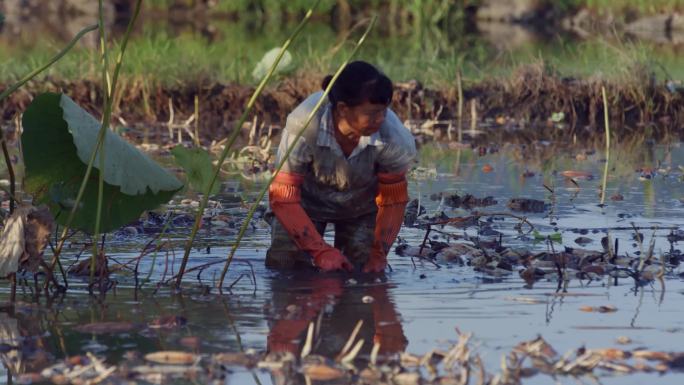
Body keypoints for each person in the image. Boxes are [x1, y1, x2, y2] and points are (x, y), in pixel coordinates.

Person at [266, 61, 416, 273]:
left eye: (384, 111)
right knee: (286, 267)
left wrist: (378, 253)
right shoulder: (304, 125)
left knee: (363, 272)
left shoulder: (394, 139)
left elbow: (393, 201)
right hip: (303, 205)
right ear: (343, 109)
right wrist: (320, 251)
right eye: (372, 113)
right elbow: (283, 195)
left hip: (360, 209)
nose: (380, 119)